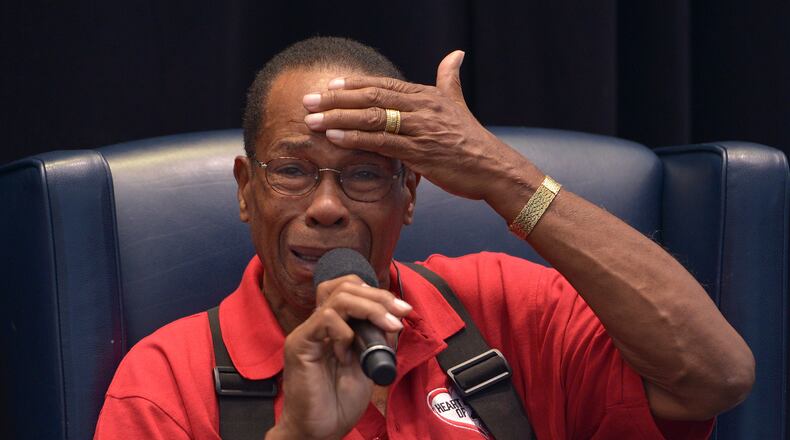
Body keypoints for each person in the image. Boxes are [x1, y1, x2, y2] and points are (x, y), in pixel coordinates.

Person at [94, 37, 754, 439]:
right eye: (293, 170)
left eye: (363, 175)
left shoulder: (502, 307)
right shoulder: (165, 383)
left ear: (409, 197)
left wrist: (504, 175)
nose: (326, 206)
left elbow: (715, 376)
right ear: (246, 189)